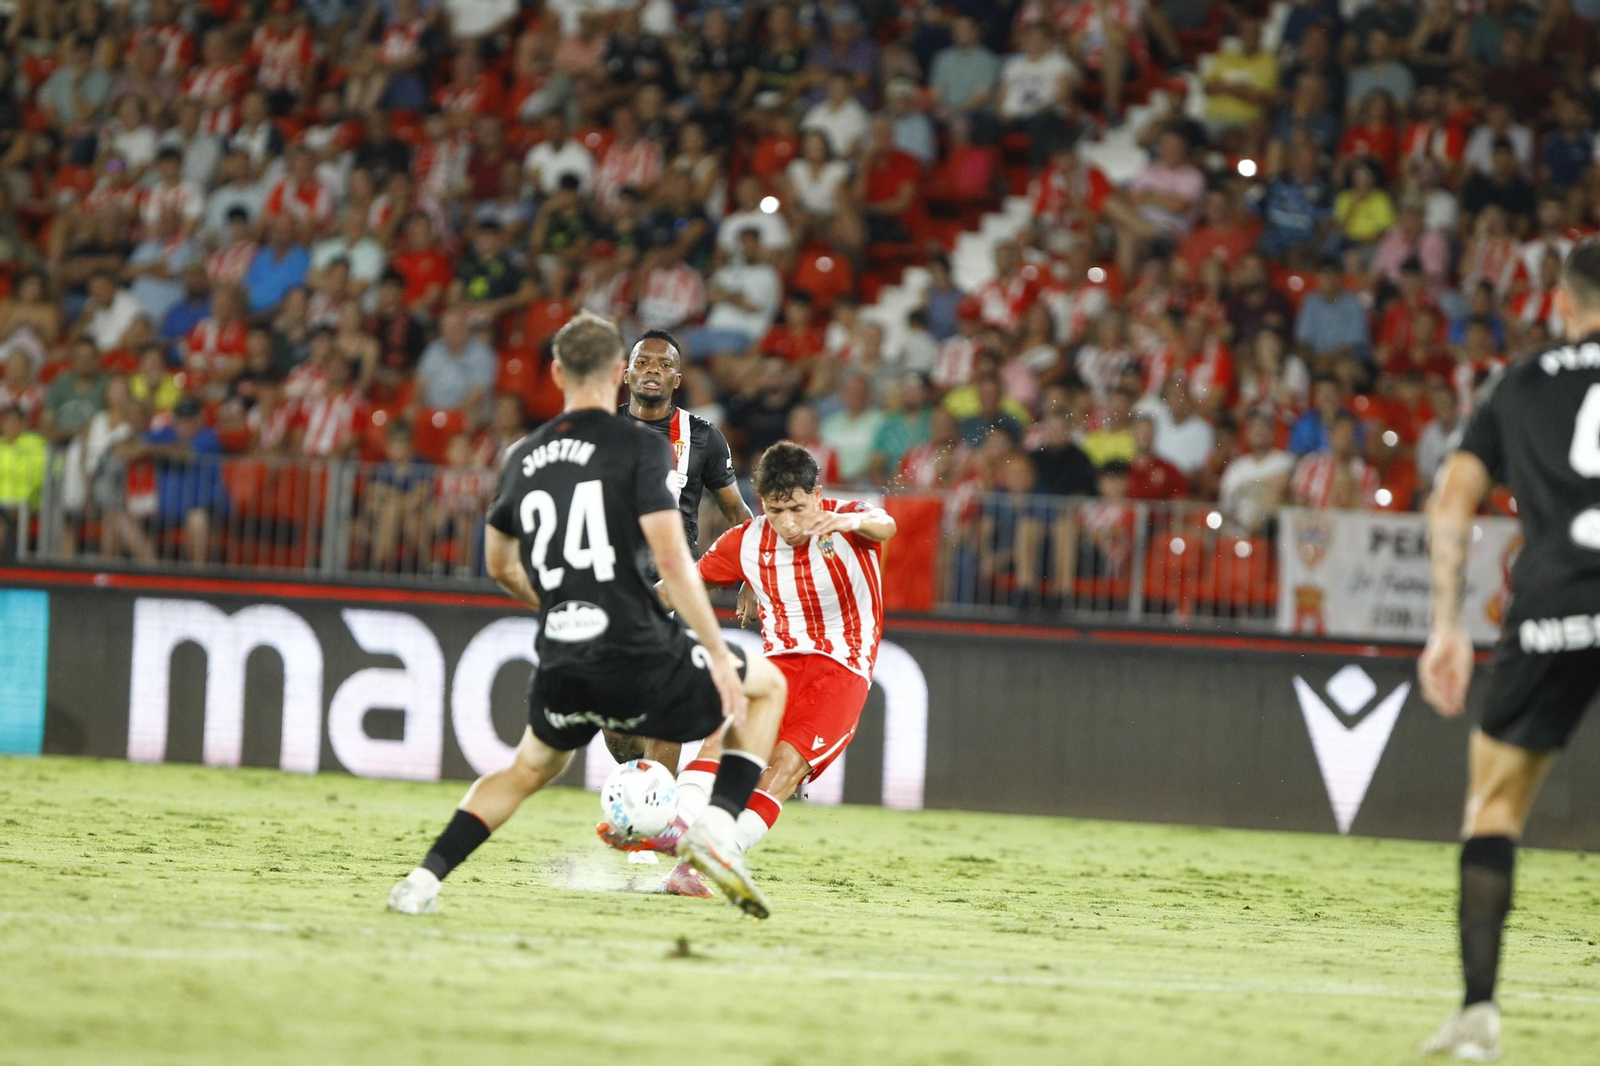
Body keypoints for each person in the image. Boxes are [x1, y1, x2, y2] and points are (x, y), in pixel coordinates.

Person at [388, 313, 788, 919]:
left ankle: (423, 878)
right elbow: (673, 559)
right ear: (615, 374)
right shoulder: (635, 445)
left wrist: (559, 604)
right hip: (636, 629)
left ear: (553, 371)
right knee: (764, 686)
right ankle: (713, 828)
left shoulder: (525, 452)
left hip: (565, 647)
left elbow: (499, 564)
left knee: (526, 769)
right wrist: (715, 644)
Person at [1417, 241, 1600, 1060]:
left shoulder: (1516, 382)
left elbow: (1452, 500)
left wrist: (1447, 623)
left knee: (1492, 807)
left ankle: (1478, 1014)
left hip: (1556, 599)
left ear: (1563, 303)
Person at [608, 441, 896, 898]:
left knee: (783, 768)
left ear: (817, 494)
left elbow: (885, 525)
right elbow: (682, 583)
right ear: (763, 503)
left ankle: (707, 861)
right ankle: (674, 827)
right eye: (776, 509)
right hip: (777, 667)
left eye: (799, 508)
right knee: (721, 739)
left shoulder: (849, 519)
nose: (788, 522)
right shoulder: (747, 541)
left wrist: (844, 521)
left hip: (841, 672)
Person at [603, 330, 759, 773]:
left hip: (674, 590)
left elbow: (739, 513)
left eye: (664, 364)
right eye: (644, 362)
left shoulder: (704, 438)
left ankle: (658, 811)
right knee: (619, 731)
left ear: (677, 379)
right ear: (626, 372)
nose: (653, 370)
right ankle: (644, 788)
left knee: (663, 709)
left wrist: (749, 574)